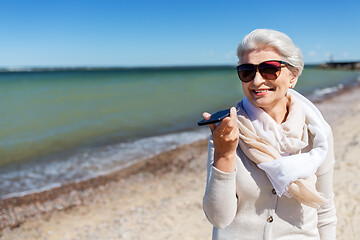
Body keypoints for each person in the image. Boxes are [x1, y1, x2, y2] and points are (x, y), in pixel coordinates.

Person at [202, 29, 337, 240]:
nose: (256, 81)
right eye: (246, 71)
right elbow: (218, 218)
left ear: (293, 76)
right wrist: (225, 154)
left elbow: (325, 209)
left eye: (269, 70)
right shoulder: (227, 131)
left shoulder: (317, 134)